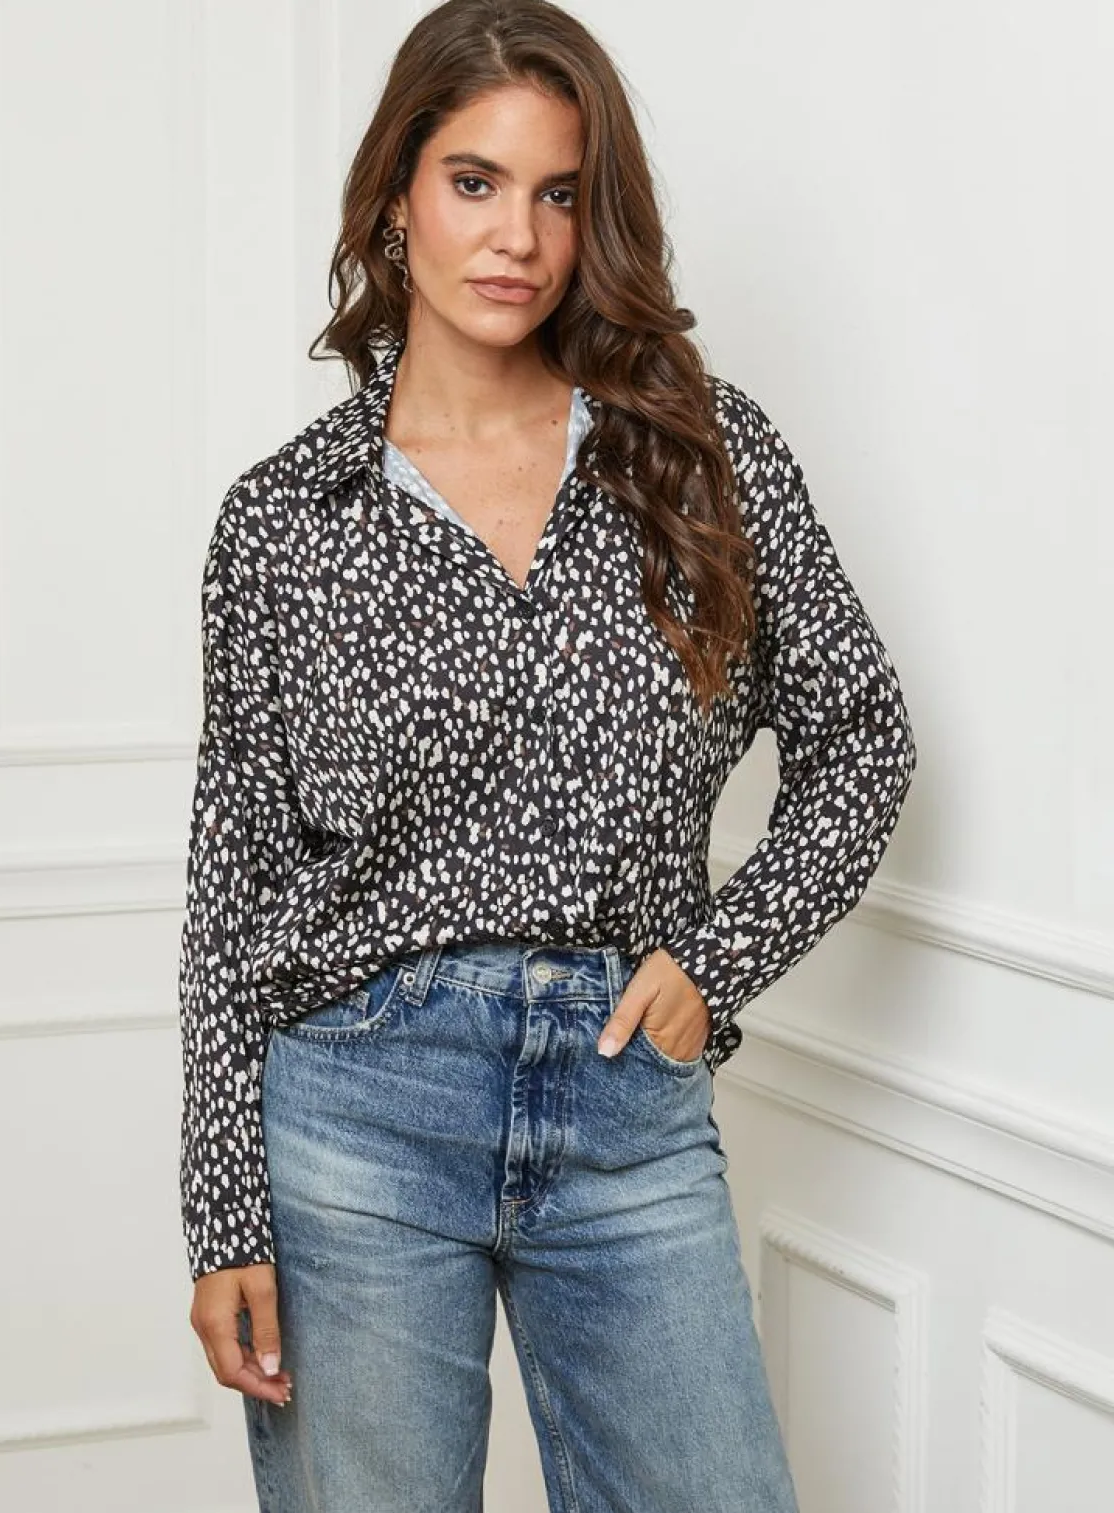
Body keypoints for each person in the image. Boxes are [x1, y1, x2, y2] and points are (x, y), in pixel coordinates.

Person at [177, 1, 918, 1508]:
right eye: (475, 181)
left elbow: (863, 739)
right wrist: (223, 1213)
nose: (517, 236)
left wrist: (718, 961)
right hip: (358, 1114)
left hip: (623, 1100)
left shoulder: (698, 461)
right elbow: (232, 889)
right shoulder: (287, 521)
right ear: (397, 197)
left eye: (559, 193)